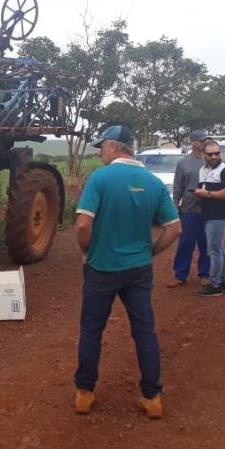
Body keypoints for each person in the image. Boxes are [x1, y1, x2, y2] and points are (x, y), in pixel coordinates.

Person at [74, 125, 181, 418]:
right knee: (144, 331)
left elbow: (83, 224)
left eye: (101, 148)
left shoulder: (100, 178)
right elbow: (174, 228)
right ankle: (152, 397)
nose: (100, 154)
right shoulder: (153, 182)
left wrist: (87, 251)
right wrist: (150, 252)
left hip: (102, 268)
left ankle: (84, 393)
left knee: (91, 330)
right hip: (138, 269)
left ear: (112, 146)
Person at [194, 140, 225, 297]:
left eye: (217, 153)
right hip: (208, 214)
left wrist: (207, 194)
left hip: (219, 216)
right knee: (219, 249)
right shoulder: (203, 170)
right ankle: (224, 281)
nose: (214, 156)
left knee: (214, 250)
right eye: (210, 154)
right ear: (204, 155)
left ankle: (215, 284)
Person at [168, 129, 211, 288]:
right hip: (188, 209)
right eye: (200, 140)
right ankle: (180, 274)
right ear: (193, 142)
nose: (203, 143)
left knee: (206, 243)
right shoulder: (183, 163)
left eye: (204, 140)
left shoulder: (211, 160)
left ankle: (205, 273)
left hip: (207, 208)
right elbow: (178, 185)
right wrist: (175, 205)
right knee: (186, 242)